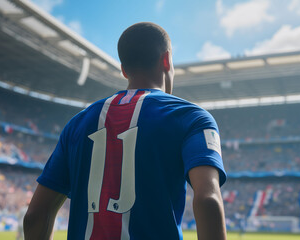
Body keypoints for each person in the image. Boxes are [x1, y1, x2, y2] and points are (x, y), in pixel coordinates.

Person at [24, 22, 227, 240]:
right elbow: (208, 200)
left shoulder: (77, 123)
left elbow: (36, 215)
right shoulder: (192, 118)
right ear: (167, 59)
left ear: (124, 70)